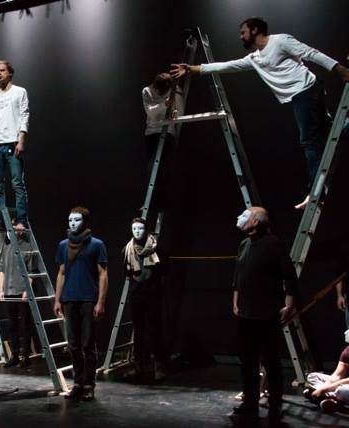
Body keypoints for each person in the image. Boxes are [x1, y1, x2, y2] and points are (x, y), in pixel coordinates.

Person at [170, 17, 349, 209]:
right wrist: (193, 69)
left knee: (310, 141)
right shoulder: (254, 58)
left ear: (255, 30)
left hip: (306, 90)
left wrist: (340, 69)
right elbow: (227, 65)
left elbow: (311, 53)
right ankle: (317, 189)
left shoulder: (280, 41)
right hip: (302, 94)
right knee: (332, 133)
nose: (241, 37)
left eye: (243, 32)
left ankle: (316, 192)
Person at [231, 206, 297, 422]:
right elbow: (238, 276)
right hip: (245, 314)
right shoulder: (244, 244)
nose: (240, 217)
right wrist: (235, 302)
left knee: (271, 361)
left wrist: (289, 304)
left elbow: (289, 276)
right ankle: (249, 402)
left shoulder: (274, 244)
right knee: (247, 361)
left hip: (267, 313)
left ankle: (275, 405)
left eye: (245, 215)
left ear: (256, 222)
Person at [53, 206, 108, 400]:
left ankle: (89, 385)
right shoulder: (63, 245)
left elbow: (103, 274)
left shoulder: (96, 244)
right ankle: (77, 383)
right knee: (73, 345)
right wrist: (57, 299)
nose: (73, 223)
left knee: (88, 344)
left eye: (76, 220)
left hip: (88, 299)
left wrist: (100, 302)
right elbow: (61, 273)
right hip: (69, 299)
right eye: (70, 220)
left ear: (85, 222)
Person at [0, 60, 30, 230]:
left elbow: (24, 115)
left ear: (10, 73)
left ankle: (21, 220)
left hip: (12, 142)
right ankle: (0, 221)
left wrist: (21, 139)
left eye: (2, 70)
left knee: (17, 183)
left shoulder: (20, 91)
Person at [123, 218, 165, 381]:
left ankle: (159, 366)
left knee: (155, 330)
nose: (137, 231)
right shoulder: (127, 249)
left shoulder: (156, 248)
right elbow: (126, 272)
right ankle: (138, 366)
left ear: (146, 230)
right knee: (138, 331)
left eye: (140, 228)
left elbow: (164, 269)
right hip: (137, 295)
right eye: (134, 228)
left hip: (153, 294)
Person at [142, 72, 183, 211]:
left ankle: (166, 203)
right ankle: (156, 202)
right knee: (152, 169)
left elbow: (179, 111)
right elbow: (150, 112)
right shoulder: (147, 91)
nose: (162, 93)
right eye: (160, 91)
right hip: (152, 133)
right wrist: (164, 104)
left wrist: (175, 112)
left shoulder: (174, 90)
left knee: (166, 168)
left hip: (168, 132)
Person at [0, 218, 37, 368]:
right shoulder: (6, 247)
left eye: (16, 227)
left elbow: (32, 272)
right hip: (8, 291)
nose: (14, 229)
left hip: (22, 292)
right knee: (12, 325)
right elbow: (2, 271)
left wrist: (27, 290)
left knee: (25, 324)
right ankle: (14, 356)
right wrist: (1, 290)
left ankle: (25, 357)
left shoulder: (27, 247)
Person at [303, 329, 349, 413]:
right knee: (312, 376)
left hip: (345, 386)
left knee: (342, 390)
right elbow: (337, 375)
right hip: (344, 384)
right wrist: (323, 388)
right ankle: (332, 398)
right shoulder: (347, 351)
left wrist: (325, 389)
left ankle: (332, 399)